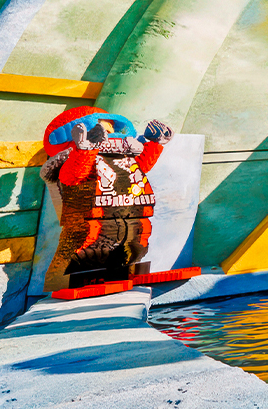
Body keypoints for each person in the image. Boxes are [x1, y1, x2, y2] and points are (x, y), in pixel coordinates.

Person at [39, 106, 173, 290]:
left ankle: (122, 271)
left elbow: (139, 168)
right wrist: (85, 150)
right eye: (104, 129)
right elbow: (73, 176)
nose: (110, 134)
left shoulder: (121, 154)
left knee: (135, 241)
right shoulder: (73, 158)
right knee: (86, 248)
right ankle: (63, 281)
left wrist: (155, 144)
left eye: (111, 129)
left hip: (128, 216)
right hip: (90, 220)